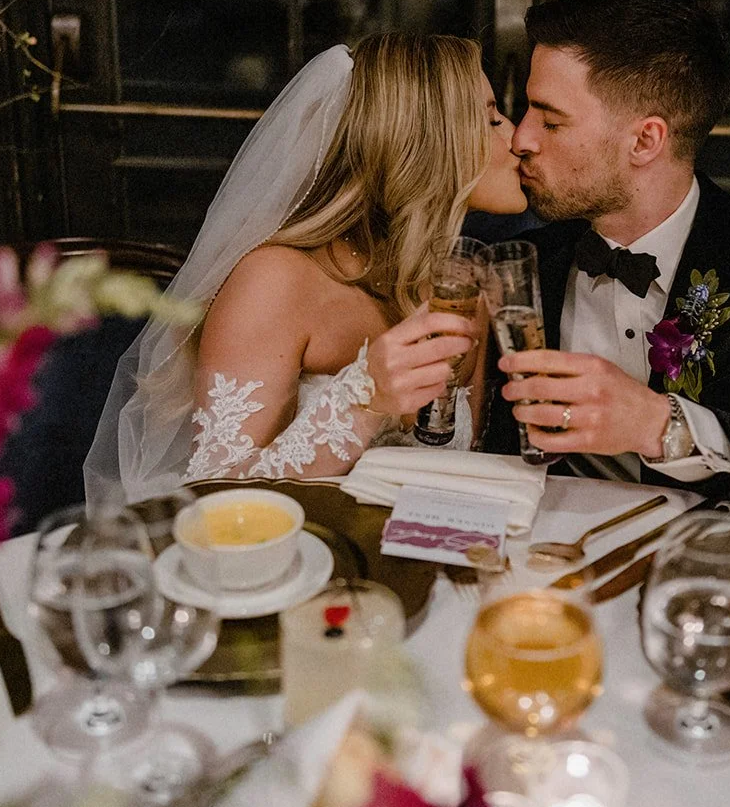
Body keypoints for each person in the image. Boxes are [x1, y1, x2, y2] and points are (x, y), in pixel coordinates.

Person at [85, 34, 528, 506]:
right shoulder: (274, 282)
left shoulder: (461, 285)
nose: (517, 137)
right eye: (491, 119)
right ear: (425, 144)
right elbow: (217, 494)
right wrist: (363, 399)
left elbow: (461, 472)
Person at [484, 0, 730, 513]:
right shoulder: (522, 263)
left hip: (703, 555)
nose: (521, 138)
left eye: (551, 120)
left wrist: (659, 426)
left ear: (645, 141)